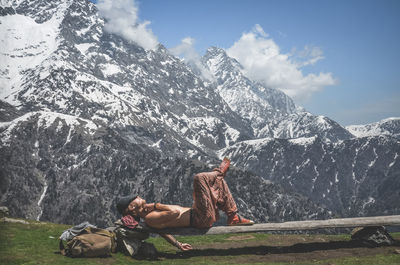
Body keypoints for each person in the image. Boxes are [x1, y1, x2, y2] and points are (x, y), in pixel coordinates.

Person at [116, 158, 254, 251]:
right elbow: (174, 213)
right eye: (135, 198)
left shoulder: (150, 217)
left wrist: (177, 244)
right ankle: (219, 172)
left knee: (217, 184)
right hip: (201, 217)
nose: (138, 196)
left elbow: (162, 231)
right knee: (200, 178)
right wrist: (155, 205)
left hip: (199, 213)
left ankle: (233, 216)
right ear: (132, 207)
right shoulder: (150, 217)